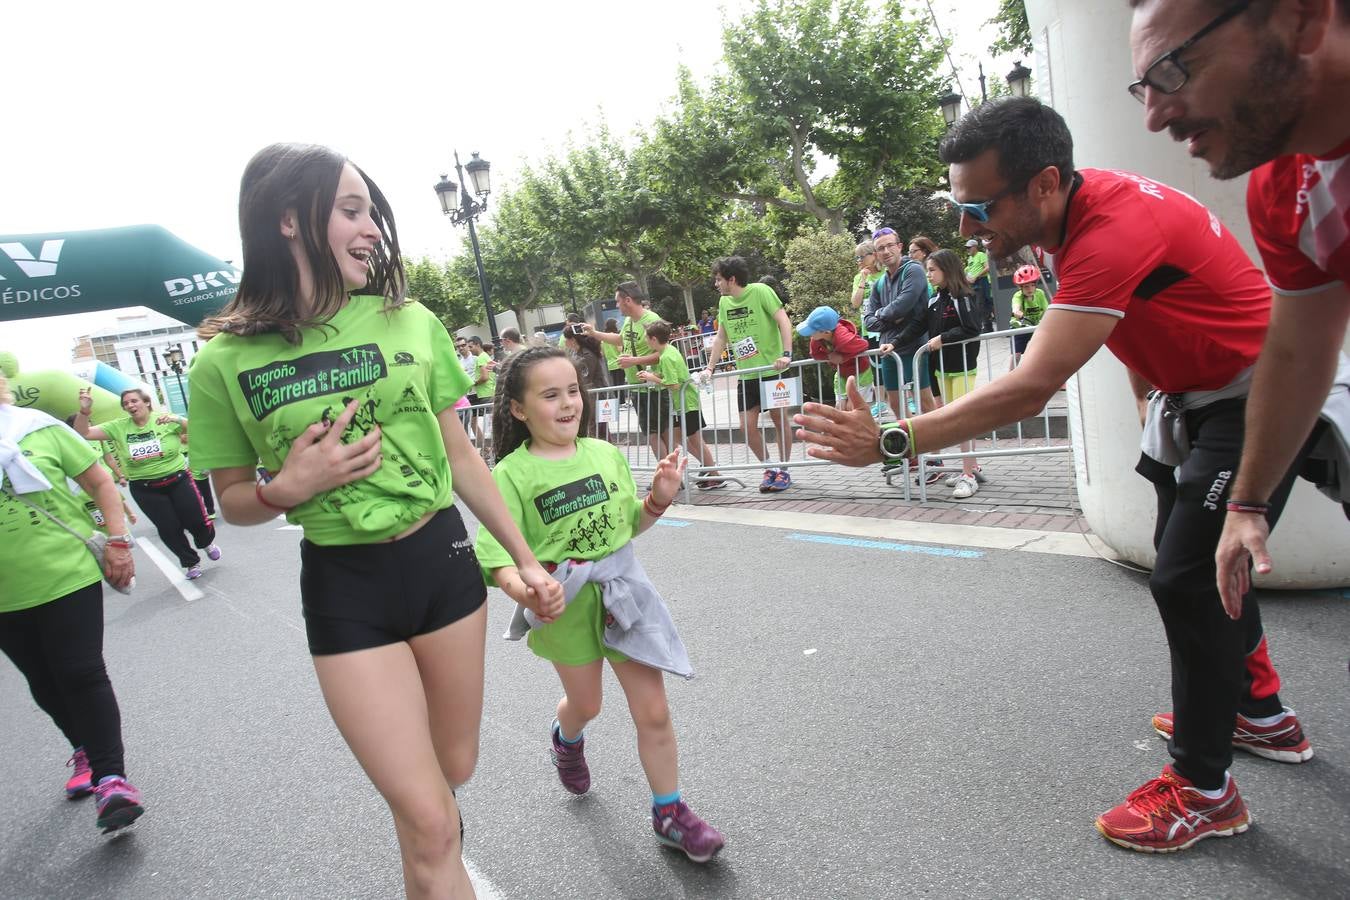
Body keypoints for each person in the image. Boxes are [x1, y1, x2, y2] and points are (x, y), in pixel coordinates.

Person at [794, 97, 1320, 854]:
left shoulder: (1110, 229)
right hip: (1199, 405)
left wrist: (892, 443)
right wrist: (1155, 405)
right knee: (1200, 561)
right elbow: (1143, 315)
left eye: (979, 207)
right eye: (960, 206)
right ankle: (1257, 710)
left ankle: (1206, 792)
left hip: (1255, 399)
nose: (968, 229)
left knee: (1186, 579)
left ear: (1043, 183)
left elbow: (1028, 387)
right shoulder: (1061, 219)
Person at [186, 142, 561, 897]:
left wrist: (524, 558)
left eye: (371, 215)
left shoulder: (410, 321)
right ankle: (432, 837)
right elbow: (230, 500)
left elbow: (462, 458)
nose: (371, 232)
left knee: (450, 778)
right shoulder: (220, 362)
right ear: (289, 221)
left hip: (442, 568)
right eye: (352, 212)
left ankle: (432, 839)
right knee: (427, 820)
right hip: (345, 587)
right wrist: (287, 487)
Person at [1126, 0, 1350, 614]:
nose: (1155, 116)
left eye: (1173, 71)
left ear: (1301, 16)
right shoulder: (1282, 187)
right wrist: (1247, 504)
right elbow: (1300, 348)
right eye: (1143, 88)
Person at [474, 346, 725, 863]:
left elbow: (629, 524)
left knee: (653, 712)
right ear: (518, 410)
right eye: (550, 395)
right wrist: (526, 593)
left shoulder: (604, 453)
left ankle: (669, 812)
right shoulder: (510, 475)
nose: (568, 403)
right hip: (563, 607)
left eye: (572, 391)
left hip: (624, 597)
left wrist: (658, 497)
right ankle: (566, 740)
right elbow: (497, 556)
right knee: (587, 705)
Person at [1, 374, 144, 834]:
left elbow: (101, 483)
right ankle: (81, 746)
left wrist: (119, 541)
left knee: (79, 671)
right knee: (41, 680)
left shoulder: (38, 429)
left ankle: (111, 778)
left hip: (66, 574)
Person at [74, 387, 220, 580]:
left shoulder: (165, 420)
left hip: (178, 479)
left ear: (147, 402)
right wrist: (84, 410)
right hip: (145, 488)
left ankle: (206, 543)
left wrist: (178, 420)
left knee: (196, 520)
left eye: (134, 401)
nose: (130, 405)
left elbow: (199, 429)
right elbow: (82, 433)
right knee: (169, 528)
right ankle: (190, 562)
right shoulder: (119, 427)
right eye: (126, 403)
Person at [700, 257, 795, 493]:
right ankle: (770, 467)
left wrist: (786, 354)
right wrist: (710, 367)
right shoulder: (724, 303)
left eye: (719, 279)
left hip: (773, 370)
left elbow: (783, 320)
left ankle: (784, 471)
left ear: (731, 279)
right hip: (747, 375)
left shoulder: (761, 291)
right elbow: (721, 337)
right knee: (746, 426)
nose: (716, 284)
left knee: (779, 420)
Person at [864, 229, 941, 481]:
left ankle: (935, 458)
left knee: (925, 402)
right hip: (889, 351)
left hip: (916, 347)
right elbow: (868, 321)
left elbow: (906, 304)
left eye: (890, 246)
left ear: (899, 246)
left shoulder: (915, 270)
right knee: (897, 407)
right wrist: (889, 317)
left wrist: (883, 316)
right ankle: (912, 455)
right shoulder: (879, 283)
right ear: (876, 254)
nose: (886, 252)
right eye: (880, 248)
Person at [923, 249, 985, 498]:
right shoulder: (935, 299)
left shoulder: (964, 296)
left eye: (932, 270)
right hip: (943, 370)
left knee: (963, 422)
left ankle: (969, 476)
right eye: (928, 270)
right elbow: (929, 340)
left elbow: (972, 328)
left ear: (947, 270)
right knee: (956, 421)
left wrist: (944, 337)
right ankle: (971, 467)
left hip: (962, 368)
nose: (928, 275)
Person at [581, 284, 664, 457]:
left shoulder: (651, 319)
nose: (617, 305)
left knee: (659, 434)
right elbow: (619, 339)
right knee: (652, 434)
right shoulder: (628, 322)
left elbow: (663, 353)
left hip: (654, 387)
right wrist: (594, 333)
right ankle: (668, 474)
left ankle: (672, 475)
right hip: (637, 387)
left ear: (628, 300)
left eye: (618, 301)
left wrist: (635, 361)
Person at [638, 320, 723, 488]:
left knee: (695, 439)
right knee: (679, 437)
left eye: (646, 338)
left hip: (687, 403)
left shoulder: (667, 356)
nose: (645, 341)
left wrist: (652, 378)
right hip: (682, 404)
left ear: (653, 339)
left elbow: (674, 384)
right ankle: (706, 467)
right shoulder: (668, 352)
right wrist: (656, 373)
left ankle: (714, 474)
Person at [797, 305, 879, 412]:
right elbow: (815, 354)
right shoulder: (817, 338)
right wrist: (829, 356)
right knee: (840, 408)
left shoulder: (843, 338)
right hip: (842, 373)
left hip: (860, 372)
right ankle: (845, 428)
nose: (810, 334)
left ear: (826, 332)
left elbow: (863, 345)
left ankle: (861, 428)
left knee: (853, 408)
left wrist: (843, 357)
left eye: (812, 331)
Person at [562, 325, 612, 442]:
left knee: (598, 428)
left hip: (596, 395)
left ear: (573, 340)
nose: (564, 342)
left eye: (566, 338)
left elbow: (585, 377)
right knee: (594, 426)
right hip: (590, 395)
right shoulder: (576, 354)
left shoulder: (586, 355)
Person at [1009, 264, 1050, 368]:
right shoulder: (1018, 296)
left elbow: (1046, 310)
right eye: (1026, 286)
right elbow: (1015, 307)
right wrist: (1017, 311)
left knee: (1041, 352)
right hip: (1020, 328)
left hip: (1035, 327)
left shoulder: (1040, 293)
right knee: (1016, 355)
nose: (1030, 289)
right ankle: (1011, 376)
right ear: (1020, 287)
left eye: (1032, 285)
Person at [964, 238, 995, 332]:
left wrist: (976, 277)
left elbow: (987, 267)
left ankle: (987, 327)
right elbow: (969, 270)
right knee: (977, 306)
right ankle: (986, 326)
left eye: (969, 247)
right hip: (973, 284)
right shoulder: (970, 258)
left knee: (982, 305)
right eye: (967, 248)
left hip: (982, 281)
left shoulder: (981, 255)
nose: (967, 249)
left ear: (975, 247)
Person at [600, 318, 625, 387]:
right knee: (621, 385)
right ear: (613, 325)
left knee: (615, 385)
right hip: (619, 363)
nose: (618, 326)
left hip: (610, 365)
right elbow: (620, 349)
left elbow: (602, 352)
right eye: (617, 324)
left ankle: (617, 397)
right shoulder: (614, 336)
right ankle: (621, 398)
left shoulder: (604, 338)